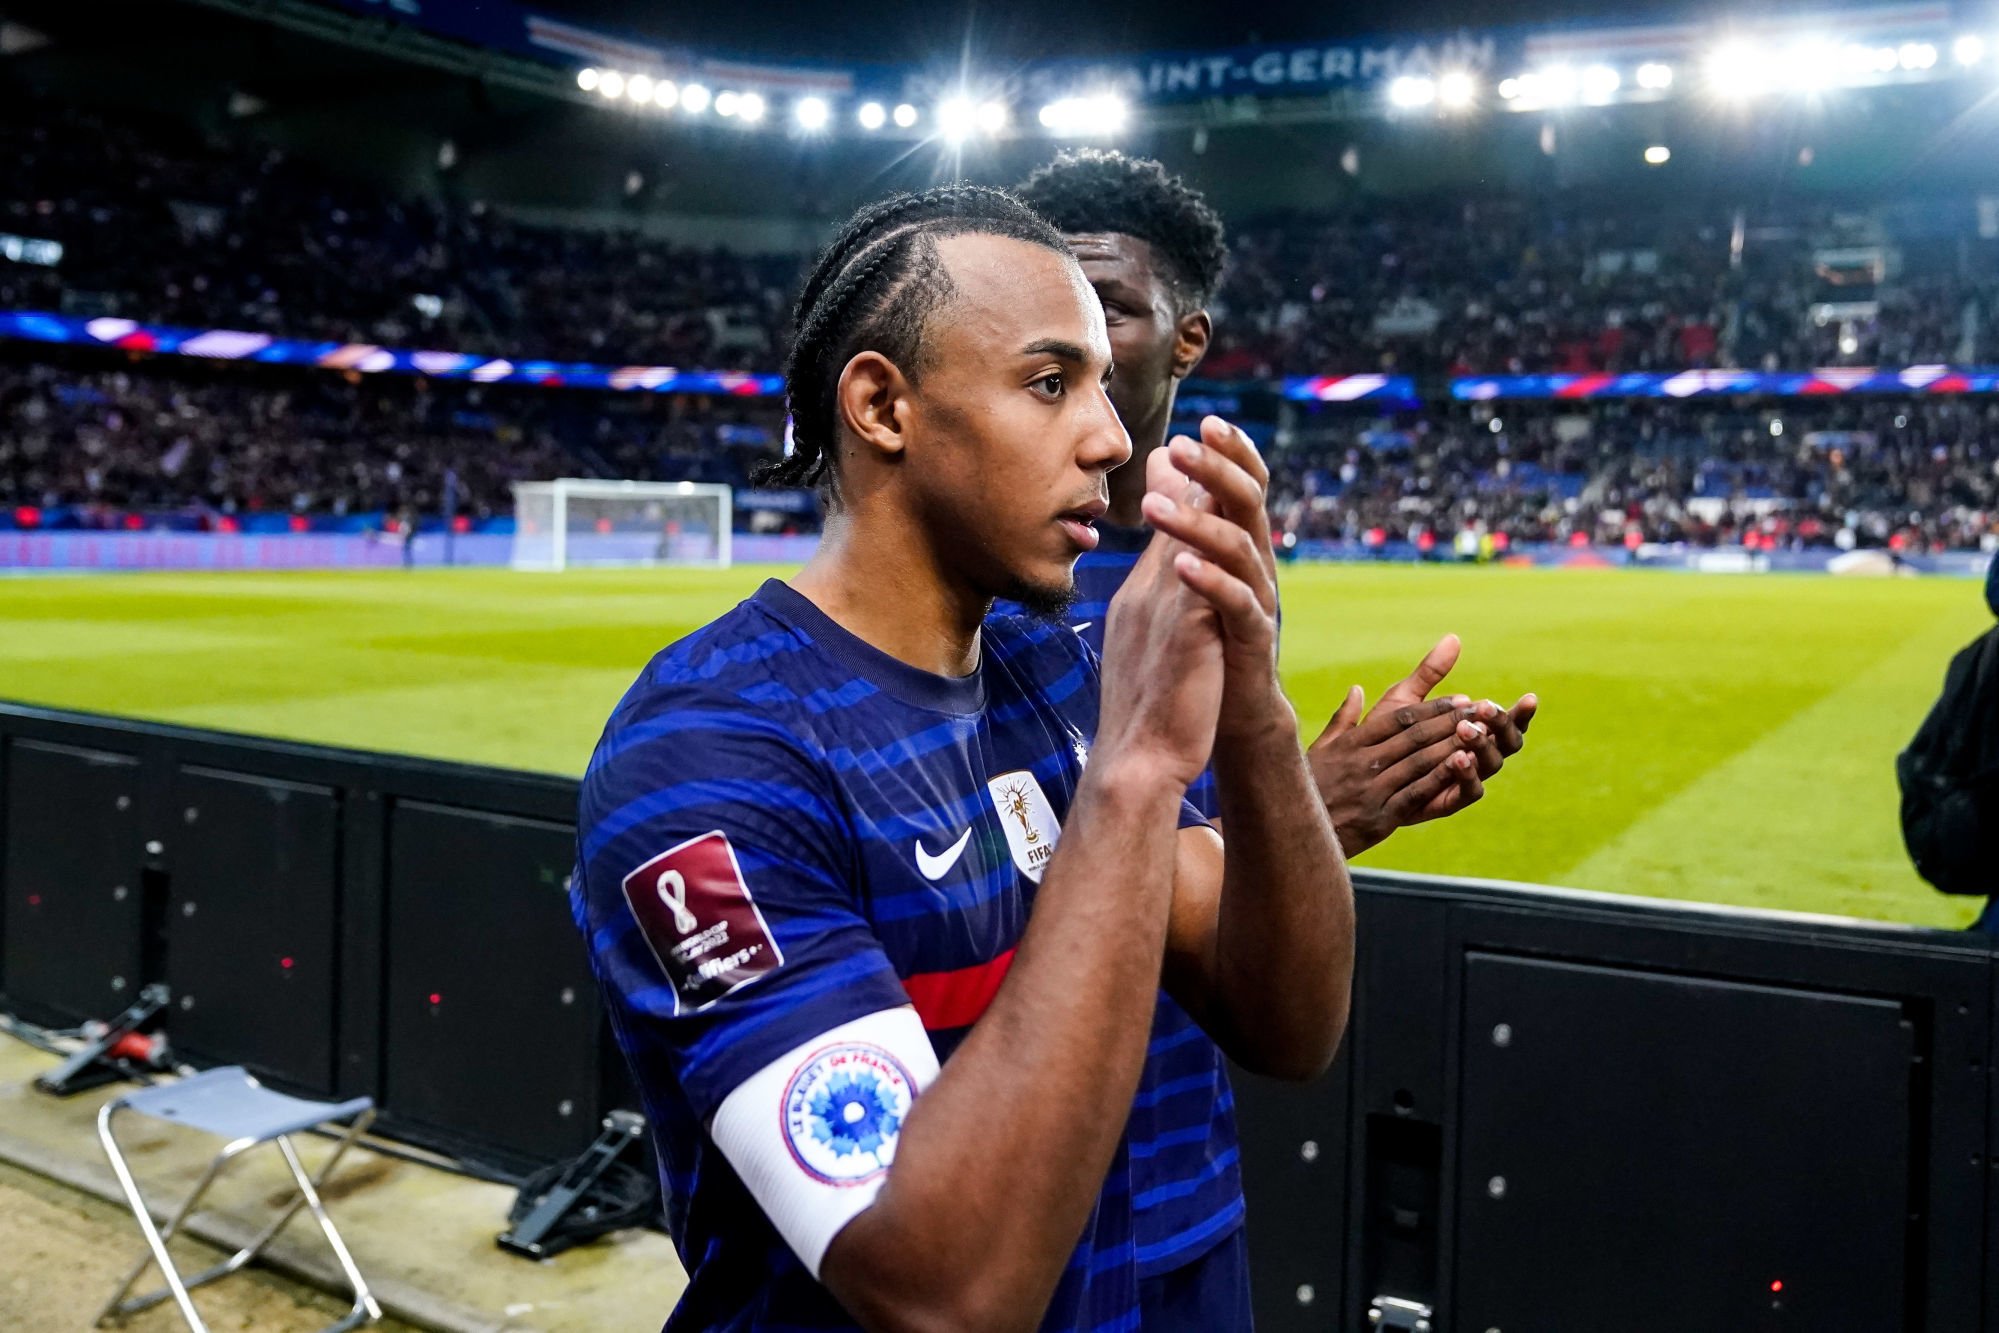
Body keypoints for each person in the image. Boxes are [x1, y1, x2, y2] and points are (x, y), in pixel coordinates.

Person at [571, 185, 1351, 1331]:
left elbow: (1287, 1021)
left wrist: (1253, 712)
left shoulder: (1054, 675)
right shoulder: (706, 756)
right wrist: (1136, 770)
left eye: (1103, 382)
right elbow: (943, 1290)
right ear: (882, 405)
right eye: (1049, 383)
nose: (1112, 437)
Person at [1014, 148, 1537, 1318]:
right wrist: (1297, 810)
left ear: (1188, 341)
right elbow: (982, 879)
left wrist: (1295, 804)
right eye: (1053, 301)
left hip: (1182, 1175)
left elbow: (1200, 882)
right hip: (1018, 1199)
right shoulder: (986, 569)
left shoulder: (1208, 562)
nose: (1079, 335)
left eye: (1112, 305)